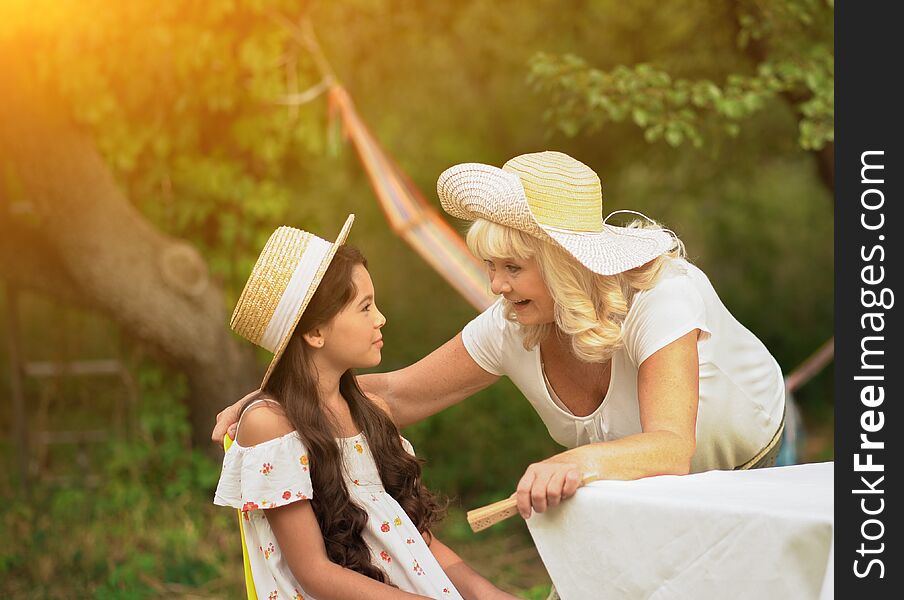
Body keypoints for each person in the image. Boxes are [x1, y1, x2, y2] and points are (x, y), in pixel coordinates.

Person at [214, 151, 786, 526]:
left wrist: (576, 463)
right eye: (490, 266)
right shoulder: (513, 322)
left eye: (512, 267)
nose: (495, 285)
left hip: (757, 466)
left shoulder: (662, 296)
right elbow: (399, 396)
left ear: (564, 264)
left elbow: (670, 448)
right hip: (647, 488)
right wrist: (277, 403)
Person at [214, 217, 517, 600]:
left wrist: (486, 594)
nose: (380, 318)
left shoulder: (368, 414)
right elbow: (316, 574)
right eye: (365, 307)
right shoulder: (271, 428)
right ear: (314, 333)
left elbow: (416, 539)